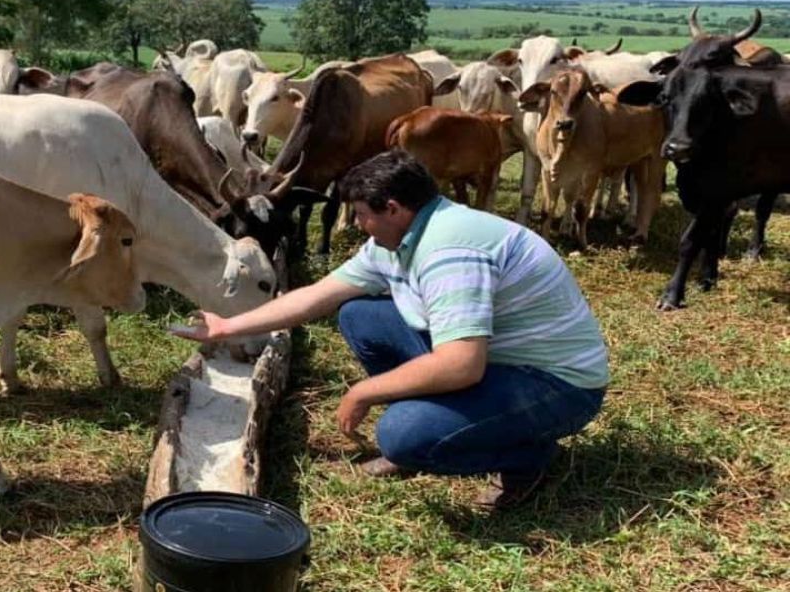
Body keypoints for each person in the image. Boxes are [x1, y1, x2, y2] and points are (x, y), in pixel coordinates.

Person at [171, 149, 608, 509]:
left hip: (557, 385)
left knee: (401, 435)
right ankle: (460, 422)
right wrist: (227, 326)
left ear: (394, 209)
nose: (358, 225)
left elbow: (462, 365)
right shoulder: (400, 237)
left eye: (362, 215)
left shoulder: (449, 251)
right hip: (500, 360)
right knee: (360, 316)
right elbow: (320, 294)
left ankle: (528, 456)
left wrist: (365, 391)